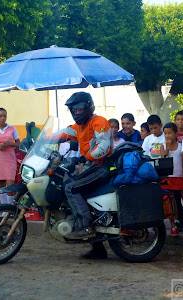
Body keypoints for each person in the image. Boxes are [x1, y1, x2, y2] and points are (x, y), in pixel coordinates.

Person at [58, 92, 112, 259]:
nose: (76, 113)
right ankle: (98, 248)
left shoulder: (99, 122)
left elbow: (103, 146)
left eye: (79, 109)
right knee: (65, 182)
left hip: (101, 167)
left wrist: (85, 157)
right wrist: (43, 139)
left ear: (88, 107)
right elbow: (63, 133)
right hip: (89, 167)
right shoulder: (79, 127)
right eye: (73, 110)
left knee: (71, 188)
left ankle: (85, 227)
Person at [160, 122, 183, 236]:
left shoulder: (181, 146)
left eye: (170, 133)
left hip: (179, 177)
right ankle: (173, 224)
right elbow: (163, 158)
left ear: (176, 133)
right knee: (170, 201)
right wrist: (166, 148)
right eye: (165, 133)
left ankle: (181, 220)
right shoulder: (162, 145)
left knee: (178, 200)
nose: (167, 135)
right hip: (168, 178)